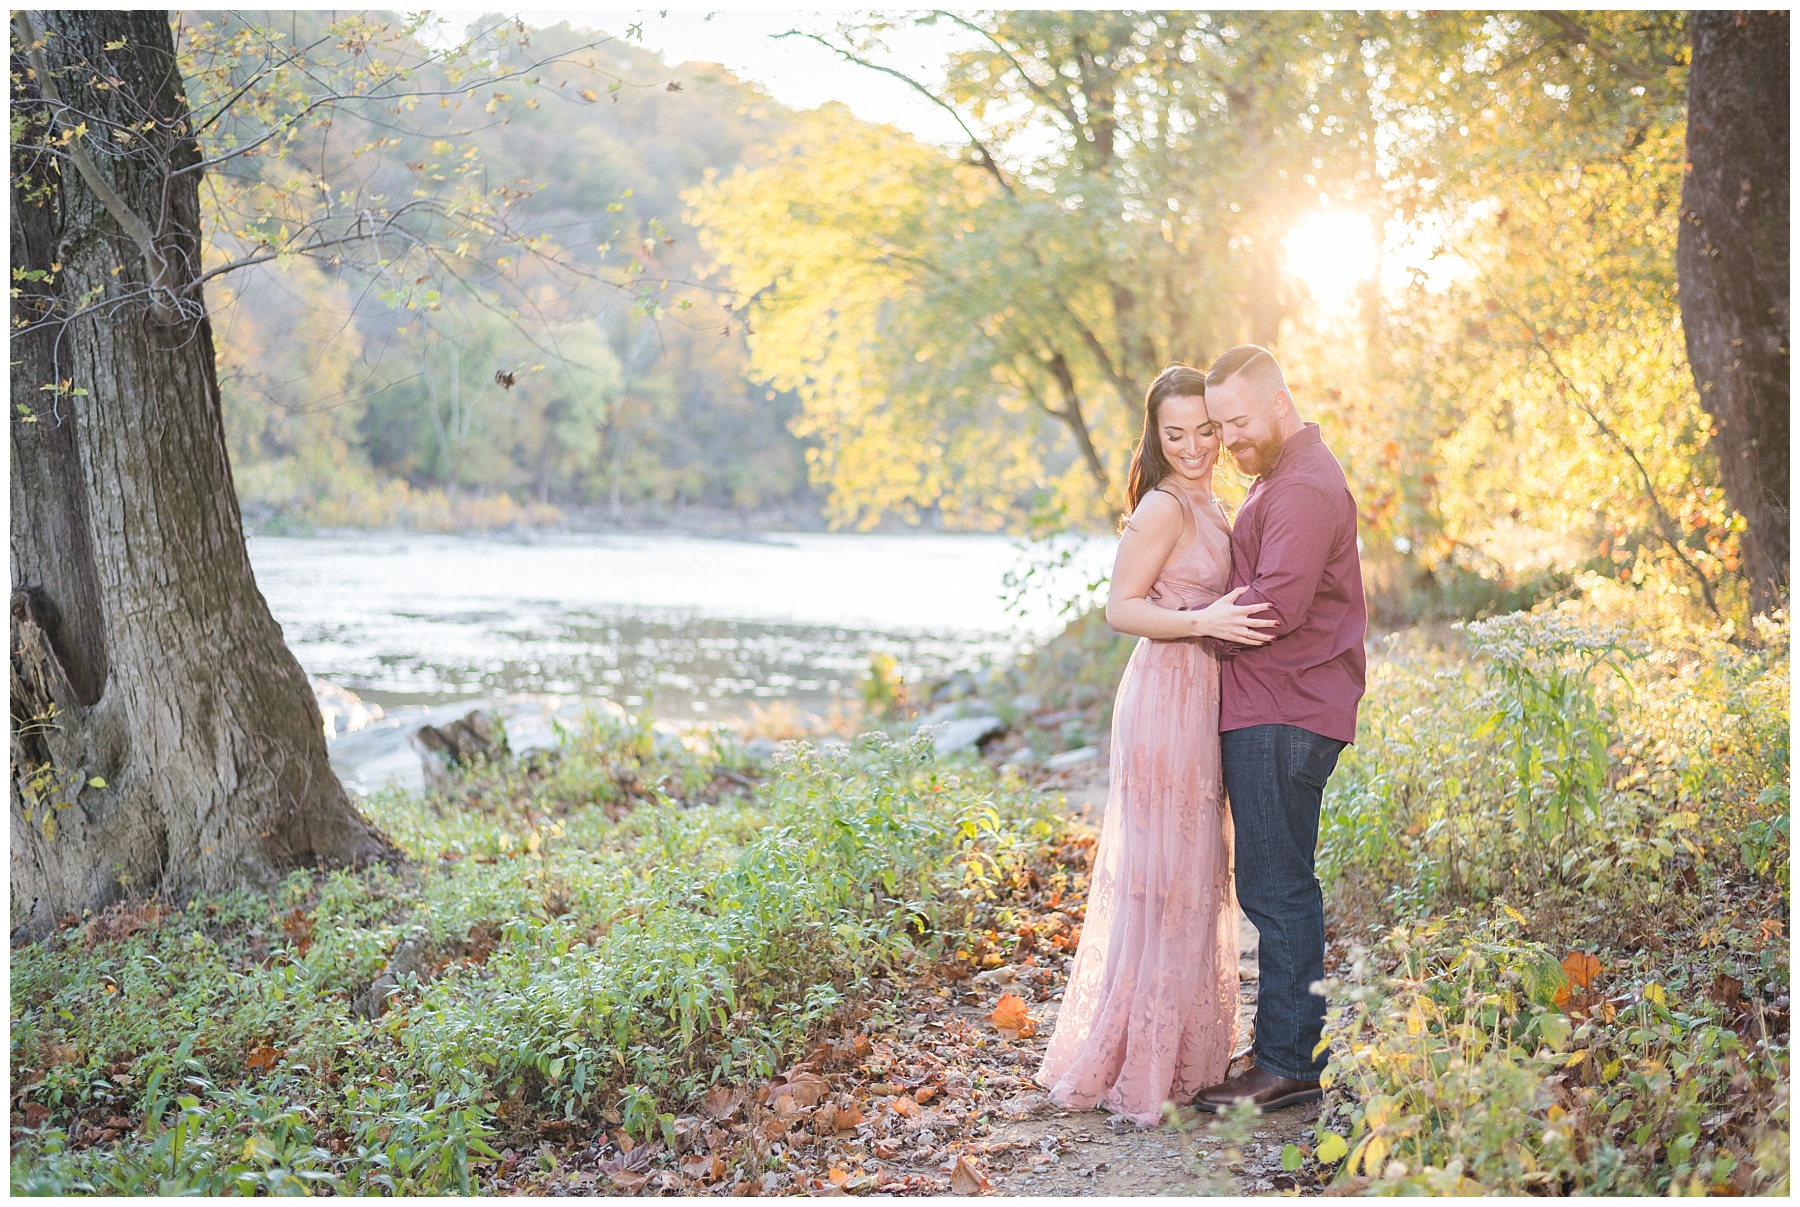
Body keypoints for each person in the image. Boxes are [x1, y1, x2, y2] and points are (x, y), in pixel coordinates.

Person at [1035, 364, 1277, 1126]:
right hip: (1164, 697)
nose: (1194, 446)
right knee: (1165, 876)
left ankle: (1176, 1052)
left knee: (1192, 871)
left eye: (1205, 430)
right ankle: (1137, 1056)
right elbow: (1119, 609)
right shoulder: (1164, 506)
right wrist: (1206, 623)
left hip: (1198, 694)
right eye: (1174, 434)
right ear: (1156, 435)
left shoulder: (1208, 495)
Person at [1187, 345, 1367, 1114]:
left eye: (1237, 419)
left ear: (1279, 402)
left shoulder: (1299, 487)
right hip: (1279, 705)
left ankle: (1289, 1062)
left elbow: (1272, 610)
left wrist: (1191, 628)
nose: (1228, 437)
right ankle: (1286, 1046)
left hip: (1282, 708)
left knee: (1278, 887)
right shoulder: (1285, 478)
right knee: (1279, 882)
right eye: (1218, 425)